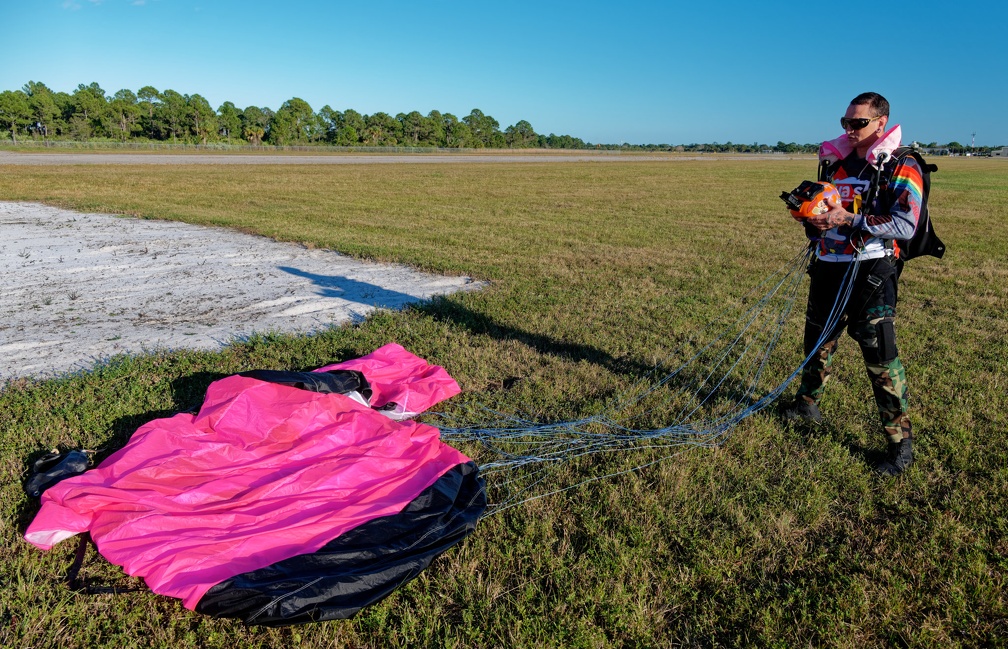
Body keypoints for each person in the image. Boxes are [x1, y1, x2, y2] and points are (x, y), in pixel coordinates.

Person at [781, 92, 924, 476]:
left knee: (880, 356)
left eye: (858, 123)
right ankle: (807, 405)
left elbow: (906, 225)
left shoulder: (901, 165)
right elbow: (823, 208)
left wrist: (849, 220)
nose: (850, 129)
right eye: (845, 122)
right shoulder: (834, 160)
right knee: (817, 341)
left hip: (872, 271)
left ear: (881, 122)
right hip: (828, 265)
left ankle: (899, 447)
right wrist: (812, 220)